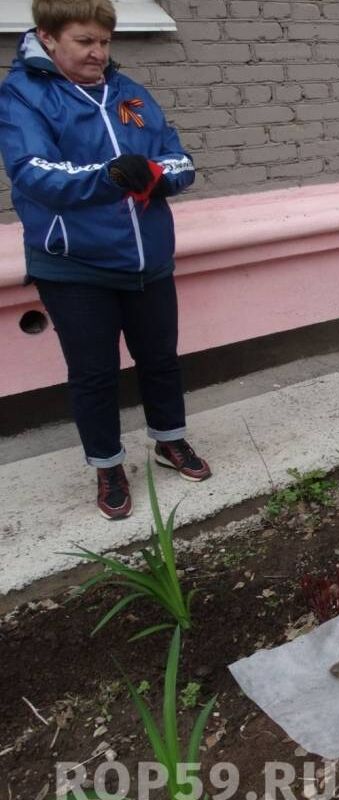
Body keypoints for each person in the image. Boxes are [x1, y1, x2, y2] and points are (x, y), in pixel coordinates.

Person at [0, 0, 208, 520]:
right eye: (84, 41)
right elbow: (33, 171)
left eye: (105, 42)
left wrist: (157, 176)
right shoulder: (23, 95)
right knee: (94, 373)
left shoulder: (129, 91)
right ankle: (108, 464)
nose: (99, 52)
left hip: (149, 259)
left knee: (160, 359)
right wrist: (112, 176)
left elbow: (178, 157)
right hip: (76, 267)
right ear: (48, 38)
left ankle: (169, 439)